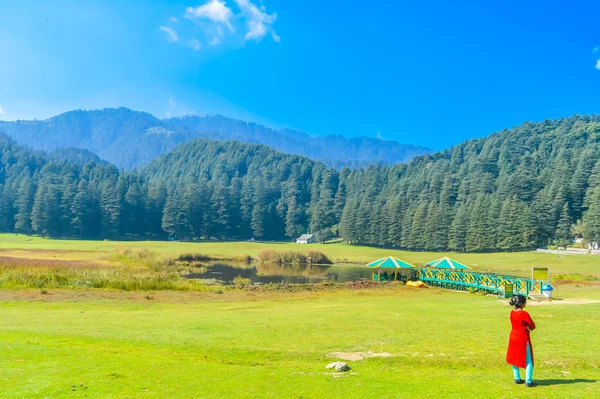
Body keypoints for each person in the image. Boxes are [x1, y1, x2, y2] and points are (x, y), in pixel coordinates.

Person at [506, 295, 536, 387]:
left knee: (514, 358)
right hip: (523, 338)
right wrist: (528, 327)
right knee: (529, 360)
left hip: (513, 337)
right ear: (522, 304)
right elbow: (532, 325)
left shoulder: (512, 312)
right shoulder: (524, 314)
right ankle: (528, 381)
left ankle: (517, 378)